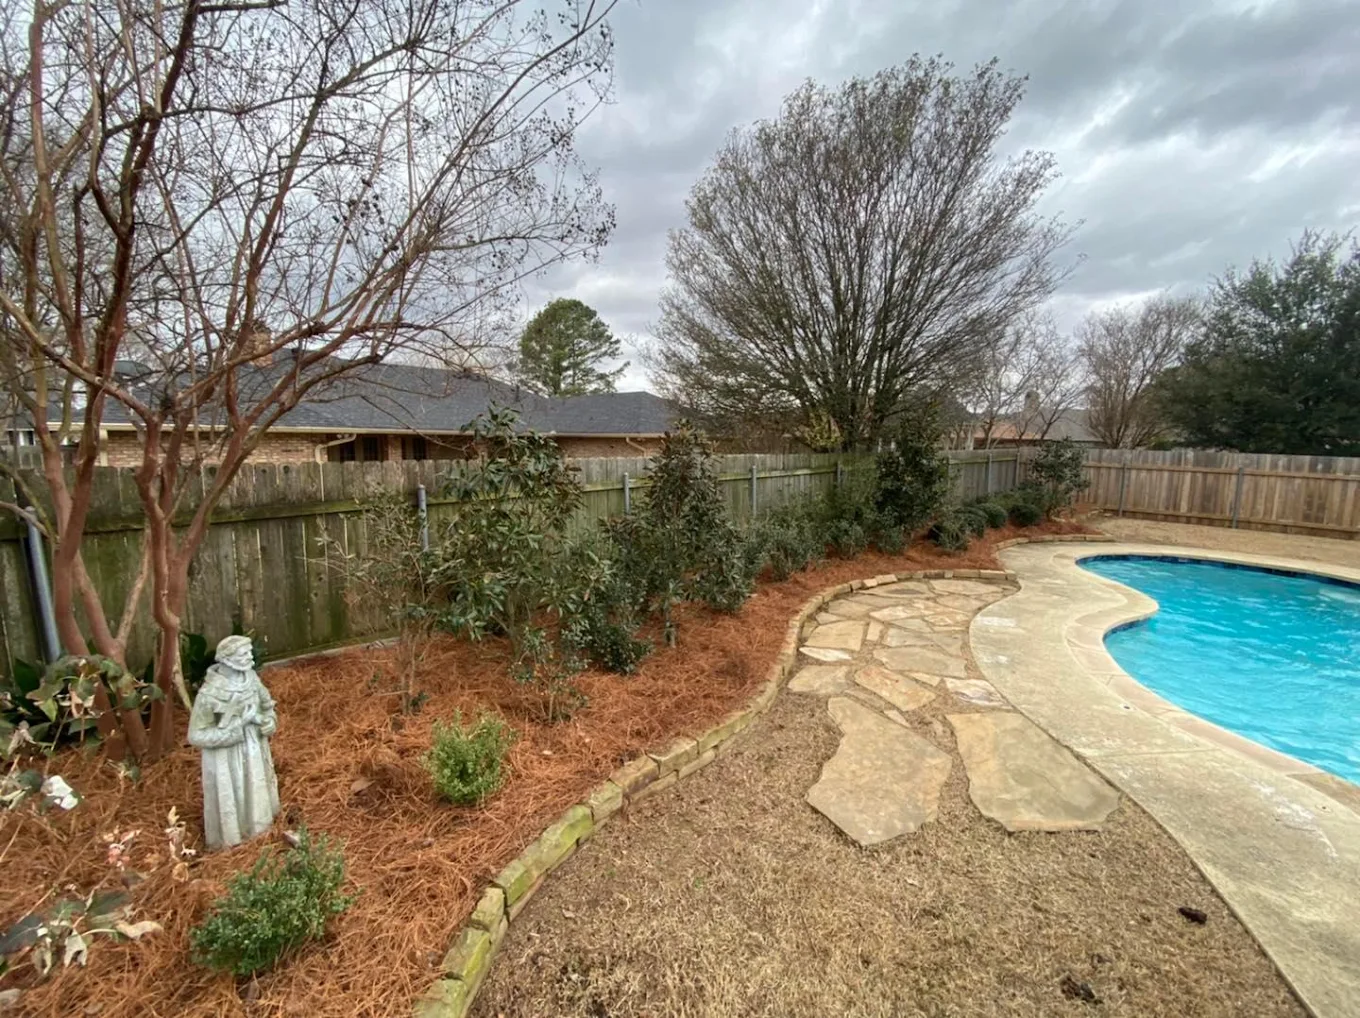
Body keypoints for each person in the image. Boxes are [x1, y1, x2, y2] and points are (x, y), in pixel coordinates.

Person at [187, 635, 281, 849]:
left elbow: (267, 706)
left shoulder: (251, 678)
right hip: (225, 759)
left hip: (254, 748)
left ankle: (261, 829)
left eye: (249, 652)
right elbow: (196, 735)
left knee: (256, 786)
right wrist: (235, 728)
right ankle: (234, 839)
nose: (250, 657)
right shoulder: (209, 693)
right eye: (244, 654)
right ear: (227, 659)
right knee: (235, 794)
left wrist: (269, 722)